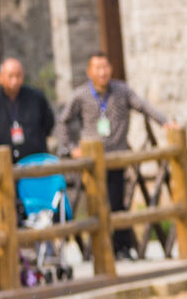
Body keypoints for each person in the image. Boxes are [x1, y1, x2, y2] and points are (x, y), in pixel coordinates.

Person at [58, 53, 168, 260]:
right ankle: (98, 249)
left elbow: (144, 107)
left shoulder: (121, 91)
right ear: (89, 72)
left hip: (116, 157)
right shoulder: (80, 95)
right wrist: (71, 148)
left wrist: (165, 123)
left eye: (105, 67)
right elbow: (63, 121)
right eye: (97, 68)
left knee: (117, 204)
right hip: (91, 161)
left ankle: (122, 247)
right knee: (95, 205)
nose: (102, 72)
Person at [0, 58, 55, 165]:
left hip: (34, 161)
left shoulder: (36, 97)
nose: (14, 81)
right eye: (10, 76)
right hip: (3, 163)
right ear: (0, 77)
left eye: (18, 76)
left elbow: (49, 122)